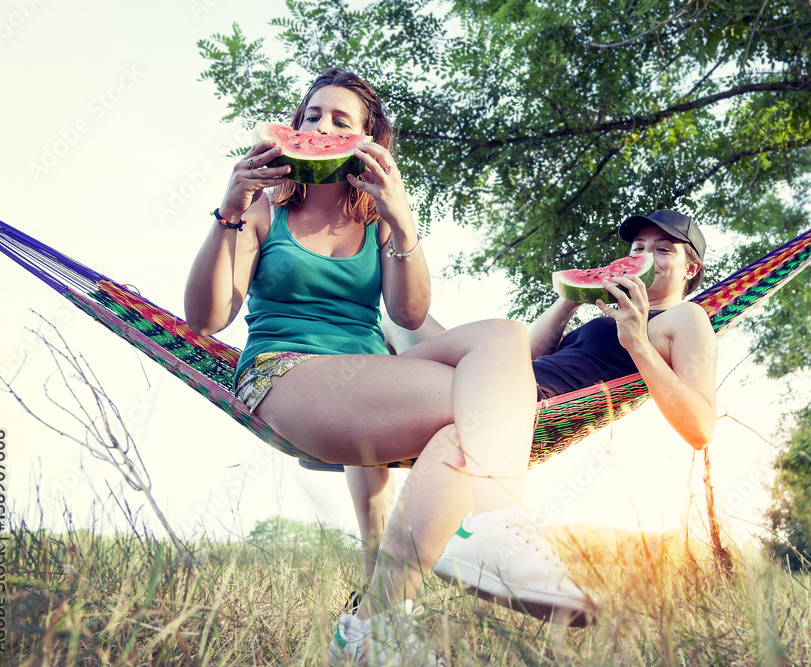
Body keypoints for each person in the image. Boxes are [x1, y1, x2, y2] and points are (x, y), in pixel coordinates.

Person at [183, 68, 595, 664]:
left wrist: (402, 220)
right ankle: (491, 534)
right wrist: (228, 209)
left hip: (374, 377)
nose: (320, 127)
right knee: (482, 411)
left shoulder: (376, 222)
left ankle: (378, 624)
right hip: (286, 374)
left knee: (486, 385)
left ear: (369, 141)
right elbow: (205, 319)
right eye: (311, 117)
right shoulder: (263, 213)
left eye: (339, 120)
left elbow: (408, 311)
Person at [342, 209, 718, 598]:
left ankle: (343, 403)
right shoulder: (608, 318)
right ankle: (370, 581)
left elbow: (701, 428)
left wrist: (637, 342)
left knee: (378, 378)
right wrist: (574, 298)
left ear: (691, 269)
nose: (646, 256)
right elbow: (531, 353)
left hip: (520, 406)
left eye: (663, 250)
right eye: (638, 247)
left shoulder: (687, 317)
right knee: (396, 323)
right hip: (497, 379)